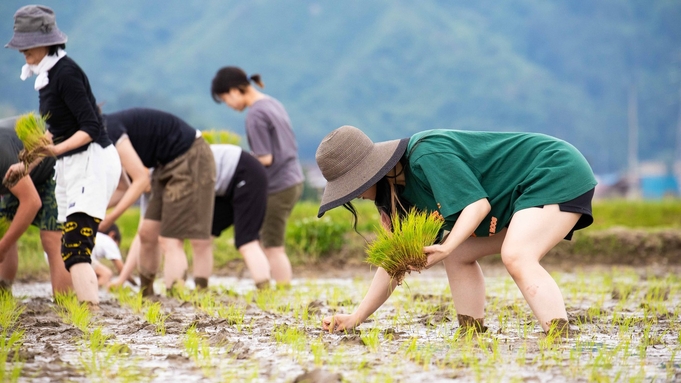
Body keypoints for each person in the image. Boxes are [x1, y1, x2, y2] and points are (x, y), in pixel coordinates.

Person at [316, 126, 597, 336]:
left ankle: (560, 338)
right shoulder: (393, 198)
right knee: (459, 253)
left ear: (369, 172)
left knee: (517, 255)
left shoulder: (426, 153)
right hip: (520, 194)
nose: (355, 196)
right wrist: (356, 317)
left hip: (554, 170)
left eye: (352, 187)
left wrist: (445, 246)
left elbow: (477, 206)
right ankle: (471, 333)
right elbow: (392, 266)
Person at [5, 5, 121, 307]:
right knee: (68, 246)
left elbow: (91, 126)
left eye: (27, 45)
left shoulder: (65, 73)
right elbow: (56, 130)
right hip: (71, 165)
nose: (23, 52)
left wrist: (55, 150)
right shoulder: (46, 77)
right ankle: (85, 309)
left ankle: (89, 312)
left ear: (45, 42)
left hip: (92, 161)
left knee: (76, 245)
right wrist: (25, 164)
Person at [108, 143, 272, 291]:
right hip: (220, 190)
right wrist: (122, 279)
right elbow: (142, 236)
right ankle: (202, 289)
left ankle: (265, 291)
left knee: (247, 241)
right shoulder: (148, 191)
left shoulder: (163, 174)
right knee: (201, 238)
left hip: (245, 171)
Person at [100, 108, 215, 296]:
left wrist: (110, 218)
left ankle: (176, 298)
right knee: (147, 233)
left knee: (170, 239)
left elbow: (140, 181)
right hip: (164, 165)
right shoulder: (103, 138)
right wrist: (91, 213)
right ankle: (147, 294)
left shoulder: (108, 129)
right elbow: (123, 189)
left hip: (189, 157)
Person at [211, 67, 304, 286]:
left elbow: (265, 158)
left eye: (225, 99)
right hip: (293, 178)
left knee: (273, 245)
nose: (229, 105)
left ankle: (282, 291)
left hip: (277, 184)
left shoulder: (255, 114)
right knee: (270, 242)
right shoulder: (272, 103)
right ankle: (278, 289)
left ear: (234, 91)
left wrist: (242, 161)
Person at [0, 116, 72, 295]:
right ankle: (3, 290)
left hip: (53, 164)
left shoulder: (2, 155)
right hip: (21, 172)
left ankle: (65, 305)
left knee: (51, 235)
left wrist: (3, 246)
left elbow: (31, 202)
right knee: (4, 223)